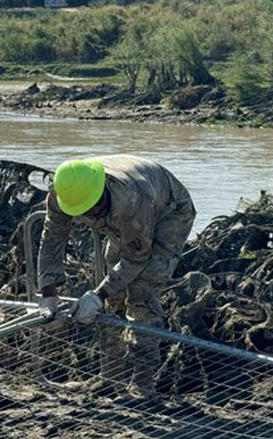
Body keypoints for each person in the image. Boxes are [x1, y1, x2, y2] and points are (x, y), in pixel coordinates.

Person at [38, 155, 196, 400]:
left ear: (102, 190)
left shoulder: (131, 203)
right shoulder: (64, 193)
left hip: (170, 212)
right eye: (84, 212)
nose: (91, 215)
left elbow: (136, 259)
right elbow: (52, 239)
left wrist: (97, 294)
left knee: (143, 292)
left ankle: (142, 385)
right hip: (127, 217)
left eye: (94, 209)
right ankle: (110, 377)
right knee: (115, 300)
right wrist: (48, 292)